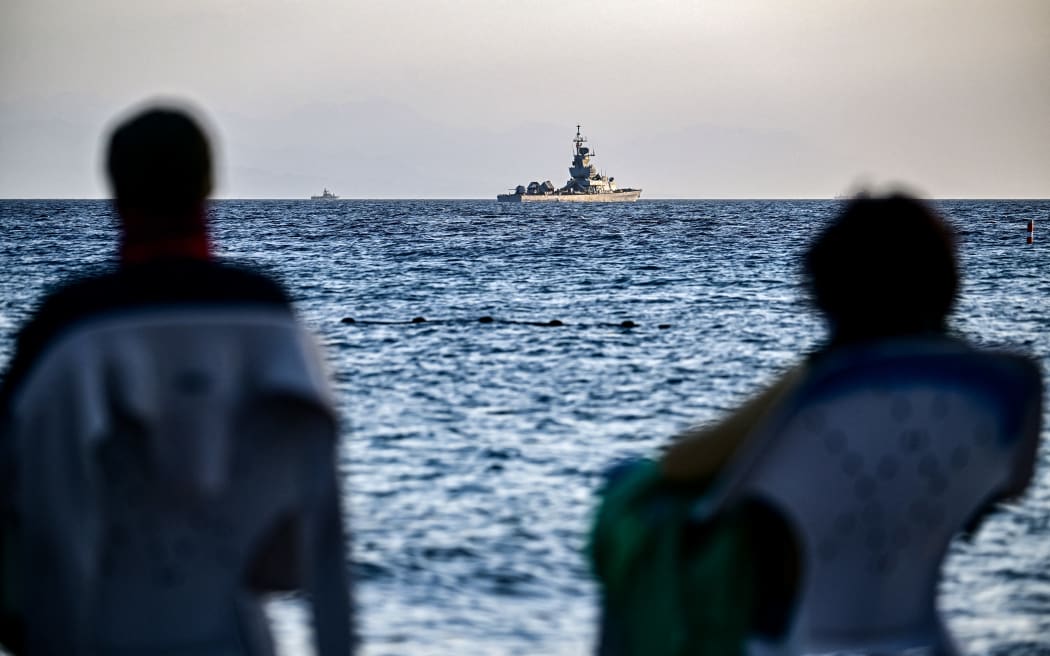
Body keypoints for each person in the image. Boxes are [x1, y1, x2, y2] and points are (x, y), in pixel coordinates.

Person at [0, 104, 355, 655]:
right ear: (210, 185)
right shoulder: (275, 325)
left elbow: (31, 515)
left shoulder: (69, 331)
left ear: (115, 189)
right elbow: (312, 545)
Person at [653, 193, 1043, 655]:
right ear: (947, 285)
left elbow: (678, 466)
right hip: (923, 637)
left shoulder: (822, 387)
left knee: (634, 501)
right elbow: (1012, 486)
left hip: (793, 640)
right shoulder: (1007, 385)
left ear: (824, 291)